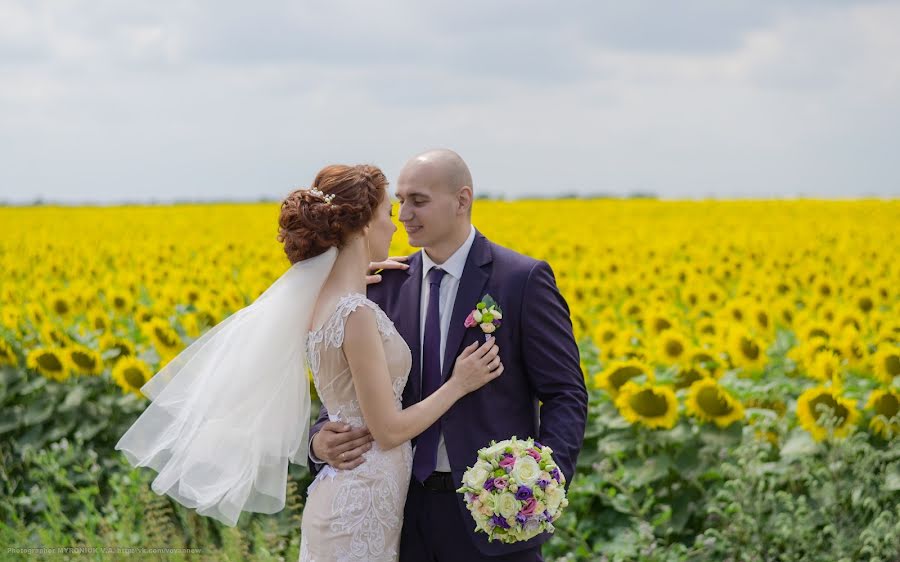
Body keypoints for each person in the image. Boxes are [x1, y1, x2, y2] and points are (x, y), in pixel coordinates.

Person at [115, 164, 503, 562]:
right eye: (387, 214)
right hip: (359, 505)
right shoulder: (354, 313)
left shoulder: (324, 301)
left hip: (358, 495)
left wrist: (355, 271)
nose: (395, 225)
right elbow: (388, 430)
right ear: (364, 226)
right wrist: (458, 383)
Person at [309, 150, 589, 561]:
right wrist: (319, 441)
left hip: (494, 518)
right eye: (400, 200)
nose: (404, 214)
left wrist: (544, 482)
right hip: (399, 516)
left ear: (462, 200)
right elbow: (351, 383)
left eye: (418, 200)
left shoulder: (521, 280)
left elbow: (566, 393)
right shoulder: (382, 284)